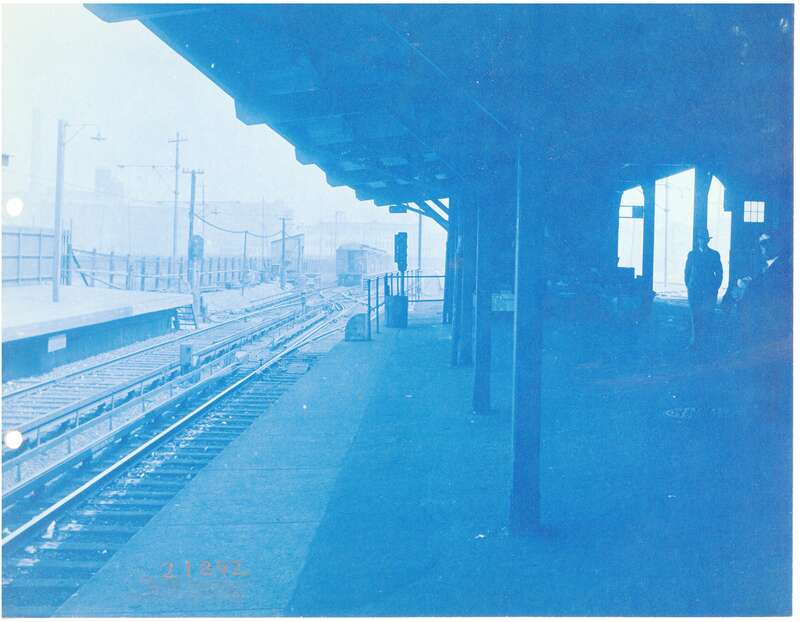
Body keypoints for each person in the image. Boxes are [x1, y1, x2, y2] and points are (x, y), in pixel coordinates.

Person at [683, 228, 723, 349]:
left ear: (707, 240)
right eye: (700, 238)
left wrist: (715, 287)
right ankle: (694, 342)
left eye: (705, 239)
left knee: (707, 316)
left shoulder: (714, 254)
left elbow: (720, 273)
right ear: (698, 240)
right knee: (695, 316)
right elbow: (687, 272)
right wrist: (690, 286)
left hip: (709, 292)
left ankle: (706, 343)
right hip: (694, 291)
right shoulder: (692, 254)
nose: (703, 241)